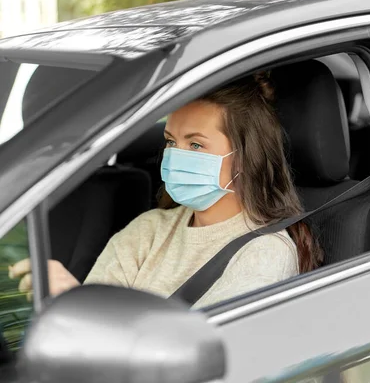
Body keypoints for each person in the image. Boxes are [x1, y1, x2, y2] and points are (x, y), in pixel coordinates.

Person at [8, 72, 322, 308]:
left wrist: (77, 300)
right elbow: (91, 328)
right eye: (171, 141)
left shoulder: (265, 253)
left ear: (244, 157)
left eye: (196, 144)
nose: (176, 155)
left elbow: (205, 363)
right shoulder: (149, 229)